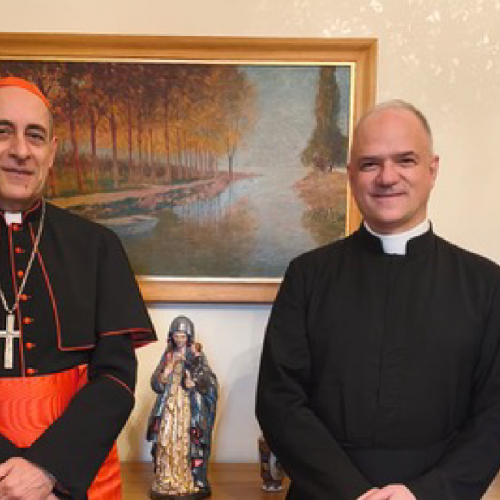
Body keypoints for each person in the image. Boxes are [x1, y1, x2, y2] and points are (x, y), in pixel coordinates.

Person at [256, 100, 500, 499]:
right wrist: (351, 492)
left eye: (405, 160)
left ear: (432, 169)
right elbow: (278, 400)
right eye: (370, 164)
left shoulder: (486, 284)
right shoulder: (307, 276)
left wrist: (425, 493)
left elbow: (495, 414)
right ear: (351, 175)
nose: (387, 177)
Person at [0, 76, 156, 499]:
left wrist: (48, 469)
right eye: (3, 131)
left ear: (51, 152)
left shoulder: (97, 245)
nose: (20, 150)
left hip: (73, 475)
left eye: (35, 135)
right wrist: (10, 477)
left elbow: (116, 379)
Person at [147, 315, 218, 500]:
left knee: (186, 439)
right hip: (169, 404)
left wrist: (194, 382)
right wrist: (166, 371)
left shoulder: (196, 354)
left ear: (189, 337)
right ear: (171, 336)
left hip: (187, 405)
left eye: (183, 336)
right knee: (166, 438)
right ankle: (167, 478)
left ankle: (186, 478)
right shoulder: (168, 355)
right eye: (176, 336)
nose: (179, 339)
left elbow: (208, 378)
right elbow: (155, 382)